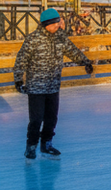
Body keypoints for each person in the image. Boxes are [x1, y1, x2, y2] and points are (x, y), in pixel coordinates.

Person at [13, 8, 95, 159]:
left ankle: (47, 144)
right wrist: (18, 79)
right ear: (47, 24)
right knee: (36, 120)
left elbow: (72, 51)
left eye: (59, 22)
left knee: (51, 118)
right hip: (36, 87)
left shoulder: (60, 37)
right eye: (56, 22)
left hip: (53, 86)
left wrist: (85, 62)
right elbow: (21, 60)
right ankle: (31, 147)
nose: (59, 25)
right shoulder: (33, 39)